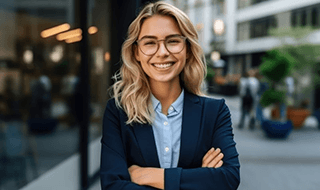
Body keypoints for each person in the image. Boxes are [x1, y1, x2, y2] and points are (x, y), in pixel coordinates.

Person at [100, 2, 240, 190]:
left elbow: (228, 178)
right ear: (136, 53)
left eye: (173, 41)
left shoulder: (214, 112)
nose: (163, 52)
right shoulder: (118, 111)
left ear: (188, 50)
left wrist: (148, 175)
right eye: (150, 43)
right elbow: (112, 186)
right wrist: (198, 178)